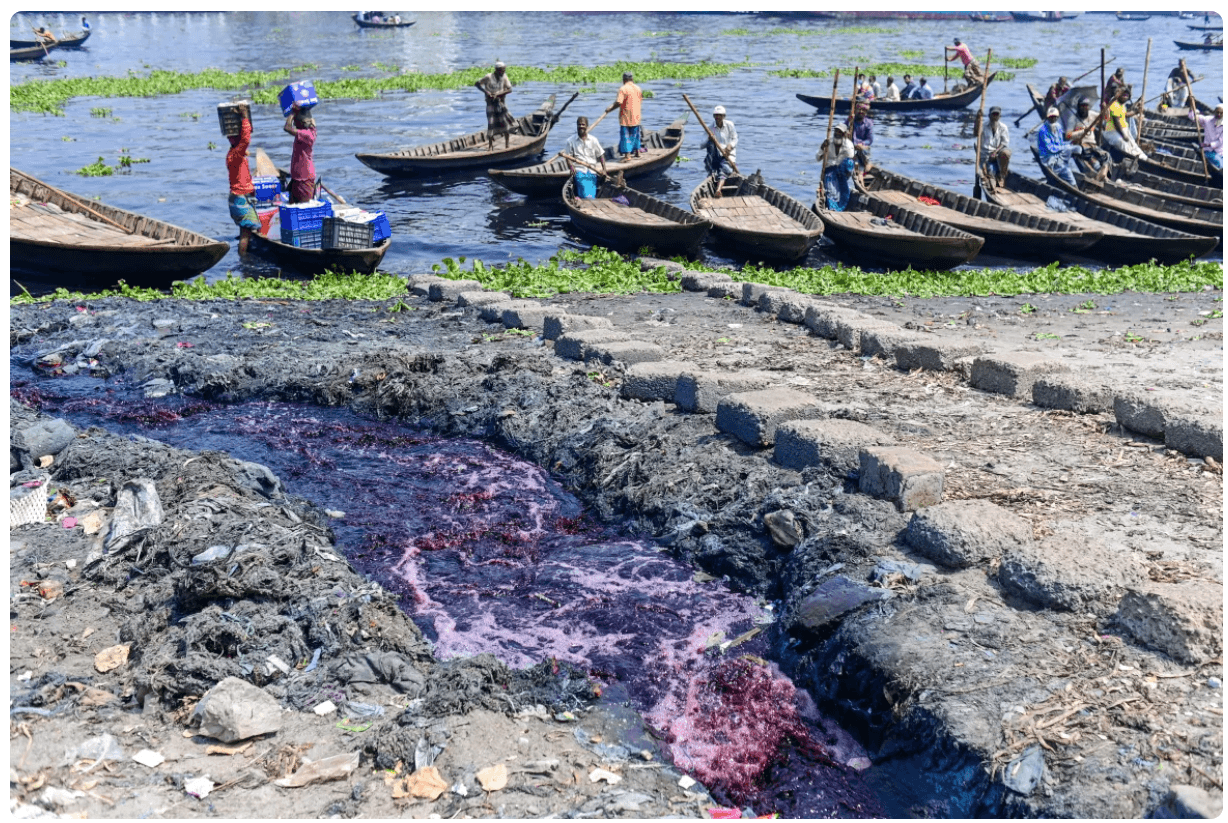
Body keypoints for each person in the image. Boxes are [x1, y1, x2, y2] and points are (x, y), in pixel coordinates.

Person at [225, 103, 259, 255]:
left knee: (245, 231)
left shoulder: (234, 154)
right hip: (240, 199)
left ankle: (244, 256)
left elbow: (245, 138)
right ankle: (243, 259)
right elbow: (245, 139)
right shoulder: (236, 155)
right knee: (245, 234)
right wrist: (244, 118)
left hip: (238, 198)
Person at [1038, 106, 1082, 187]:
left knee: (1077, 148)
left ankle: (1073, 186)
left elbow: (1060, 143)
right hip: (1048, 158)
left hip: (1058, 156)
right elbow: (1050, 148)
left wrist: (1070, 146)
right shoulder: (1043, 131)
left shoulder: (1058, 127)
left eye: (1055, 117)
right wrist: (1066, 148)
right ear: (1048, 118)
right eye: (1051, 117)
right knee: (1065, 169)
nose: (1053, 119)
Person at [475, 61, 515, 151]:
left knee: (505, 124)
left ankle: (507, 145)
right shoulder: (488, 77)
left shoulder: (504, 77)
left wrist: (498, 94)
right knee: (491, 124)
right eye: (501, 70)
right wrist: (486, 92)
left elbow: (509, 89)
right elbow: (477, 84)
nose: (503, 72)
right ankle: (490, 146)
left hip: (501, 104)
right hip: (490, 104)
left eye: (504, 70)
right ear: (497, 70)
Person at [565, 116, 607, 198]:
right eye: (579, 124)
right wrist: (571, 166)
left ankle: (587, 199)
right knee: (585, 192)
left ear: (587, 126)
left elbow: (601, 155)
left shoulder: (593, 140)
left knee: (591, 192)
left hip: (592, 171)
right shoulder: (570, 141)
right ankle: (587, 199)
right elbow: (568, 157)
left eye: (583, 124)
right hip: (579, 171)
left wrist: (604, 170)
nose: (581, 126)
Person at [1065, 96, 1109, 174]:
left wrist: (1105, 108)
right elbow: (1067, 136)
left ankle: (1104, 174)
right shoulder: (1072, 119)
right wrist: (1082, 131)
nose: (1084, 108)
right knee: (1093, 161)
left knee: (1106, 156)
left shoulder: (1092, 114)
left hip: (1093, 145)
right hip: (1081, 145)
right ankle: (1097, 172)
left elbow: (1106, 118)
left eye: (1086, 106)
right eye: (1082, 106)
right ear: (1078, 107)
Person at [606, 71, 644, 161]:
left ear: (624, 80)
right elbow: (640, 100)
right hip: (636, 117)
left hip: (626, 117)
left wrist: (610, 108)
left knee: (626, 136)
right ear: (632, 79)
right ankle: (637, 152)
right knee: (635, 135)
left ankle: (627, 156)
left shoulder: (623, 89)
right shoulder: (638, 88)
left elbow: (619, 102)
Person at [817, 123, 856, 211]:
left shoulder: (849, 145)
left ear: (845, 134)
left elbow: (850, 162)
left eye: (840, 132)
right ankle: (832, 207)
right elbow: (818, 158)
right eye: (836, 131)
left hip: (842, 172)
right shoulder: (827, 142)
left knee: (844, 192)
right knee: (832, 192)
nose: (838, 134)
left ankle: (840, 207)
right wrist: (822, 148)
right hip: (830, 171)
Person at [284, 102, 317, 204]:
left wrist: (292, 113)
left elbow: (287, 128)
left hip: (304, 178)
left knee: (303, 206)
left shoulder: (307, 134)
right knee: (293, 206)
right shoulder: (310, 130)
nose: (295, 125)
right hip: (297, 178)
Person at [1104, 86, 1147, 160]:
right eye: (1123, 95)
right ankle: (1131, 158)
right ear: (1119, 95)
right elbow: (1116, 122)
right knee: (1123, 144)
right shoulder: (1114, 104)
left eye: (1126, 96)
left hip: (1123, 129)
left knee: (1133, 145)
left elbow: (1125, 115)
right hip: (1113, 131)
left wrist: (1136, 111)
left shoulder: (1122, 105)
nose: (1125, 97)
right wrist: (1123, 135)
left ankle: (1142, 157)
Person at [703, 105, 738, 194]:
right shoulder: (711, 127)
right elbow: (703, 144)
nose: (717, 117)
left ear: (724, 116)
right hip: (716, 154)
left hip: (728, 154)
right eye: (716, 115)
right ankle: (711, 171)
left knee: (724, 169)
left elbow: (735, 139)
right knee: (710, 145)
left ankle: (718, 190)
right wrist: (709, 138)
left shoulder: (730, 125)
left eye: (720, 115)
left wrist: (729, 146)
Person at [980, 106, 1010, 186]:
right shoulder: (983, 126)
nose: (995, 117)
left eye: (997, 115)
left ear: (999, 116)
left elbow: (1004, 143)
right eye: (993, 114)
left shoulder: (1003, 127)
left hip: (997, 153)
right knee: (989, 175)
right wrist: (977, 120)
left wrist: (995, 152)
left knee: (1006, 153)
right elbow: (976, 135)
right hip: (986, 154)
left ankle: (1002, 176)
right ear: (989, 115)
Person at [1190, 103, 1224, 171]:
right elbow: (1192, 117)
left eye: (1221, 113)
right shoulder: (1208, 119)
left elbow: (1220, 142)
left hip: (1221, 152)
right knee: (1218, 164)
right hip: (1209, 152)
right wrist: (1193, 110)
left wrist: (1206, 144)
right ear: (1214, 112)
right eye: (1217, 112)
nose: (1219, 114)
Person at [852, 104, 873, 174]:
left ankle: (867, 163)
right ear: (855, 110)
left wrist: (862, 144)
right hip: (852, 146)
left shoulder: (868, 123)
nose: (861, 111)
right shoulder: (851, 121)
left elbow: (870, 140)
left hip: (862, 147)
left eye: (863, 110)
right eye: (859, 109)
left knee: (865, 150)